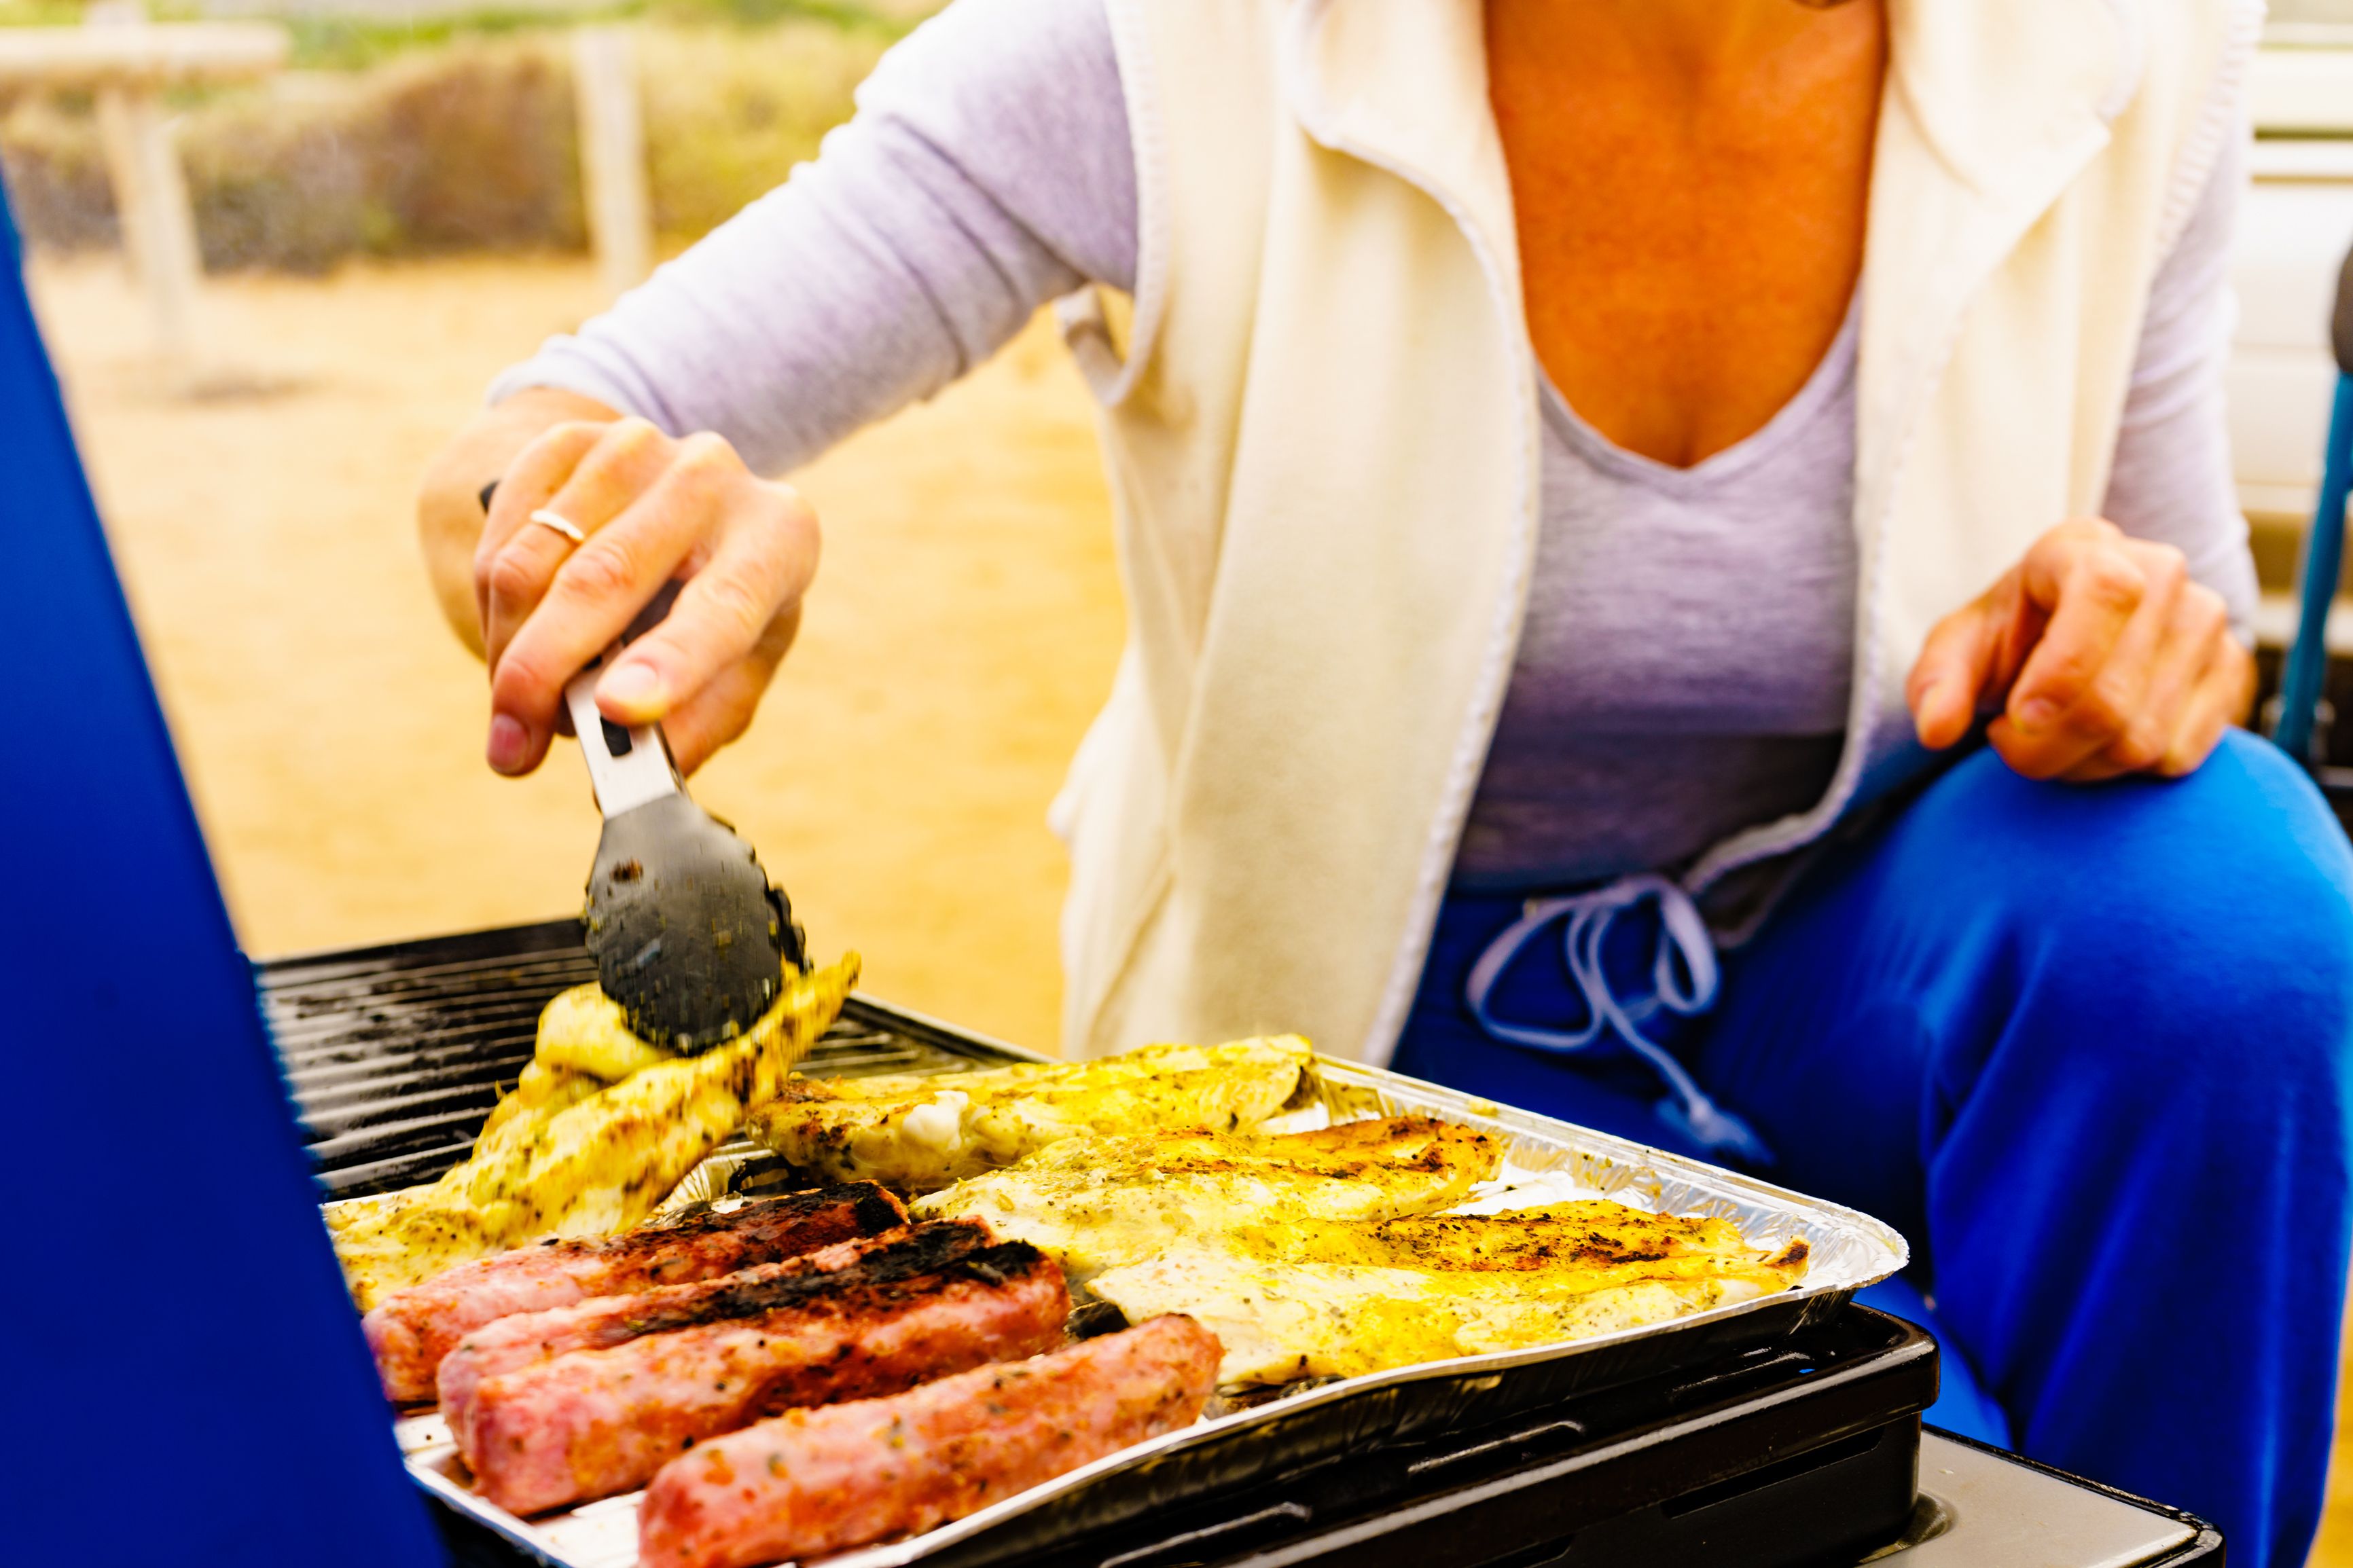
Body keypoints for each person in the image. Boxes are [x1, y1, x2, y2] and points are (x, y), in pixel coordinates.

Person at [416, 1, 2353, 1562]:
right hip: (1350, 1036)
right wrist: (596, 526)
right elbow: (533, 427)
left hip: (1841, 967)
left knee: (2230, 889)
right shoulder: (1162, 55)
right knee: (1930, 1475)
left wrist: (2142, 645)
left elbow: (2179, 626)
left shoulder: (2142, 42)